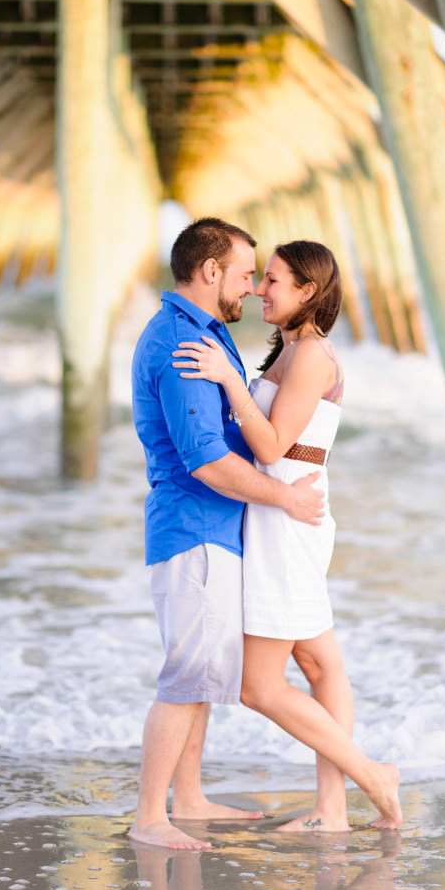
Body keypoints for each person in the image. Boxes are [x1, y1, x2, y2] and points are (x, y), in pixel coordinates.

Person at [172, 240, 403, 831]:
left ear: (307, 291)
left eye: (272, 281)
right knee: (321, 665)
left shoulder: (312, 357)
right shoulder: (293, 352)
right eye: (259, 278)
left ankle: (372, 776)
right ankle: (334, 811)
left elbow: (273, 446)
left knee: (259, 686)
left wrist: (228, 379)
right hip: (284, 515)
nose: (257, 289)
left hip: (288, 522)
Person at [129, 218, 328, 851]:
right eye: (247, 274)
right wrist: (287, 498)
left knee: (204, 673)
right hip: (195, 529)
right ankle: (149, 817)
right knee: (186, 677)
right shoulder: (184, 346)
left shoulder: (202, 335)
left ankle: (185, 797)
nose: (252, 287)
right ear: (210, 272)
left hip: (209, 531)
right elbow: (208, 462)